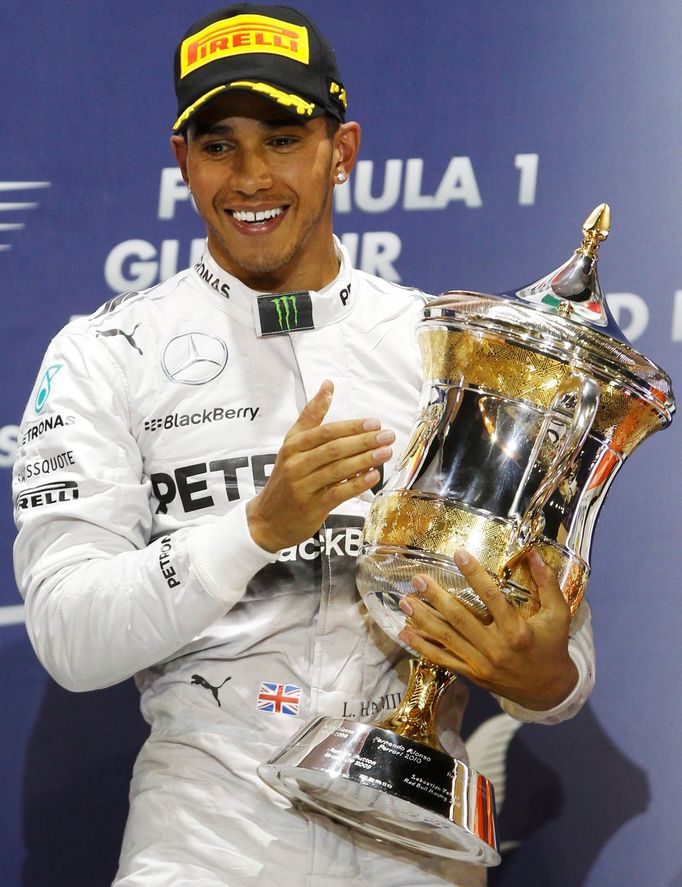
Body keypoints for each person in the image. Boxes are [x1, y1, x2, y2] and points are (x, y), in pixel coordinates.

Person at [12, 5, 595, 885]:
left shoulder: (448, 351)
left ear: (343, 150)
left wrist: (544, 674)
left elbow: (564, 661)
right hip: (204, 844)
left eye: (283, 139)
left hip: (416, 847)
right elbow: (68, 634)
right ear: (183, 162)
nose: (250, 178)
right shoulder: (103, 354)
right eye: (218, 146)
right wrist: (255, 526)